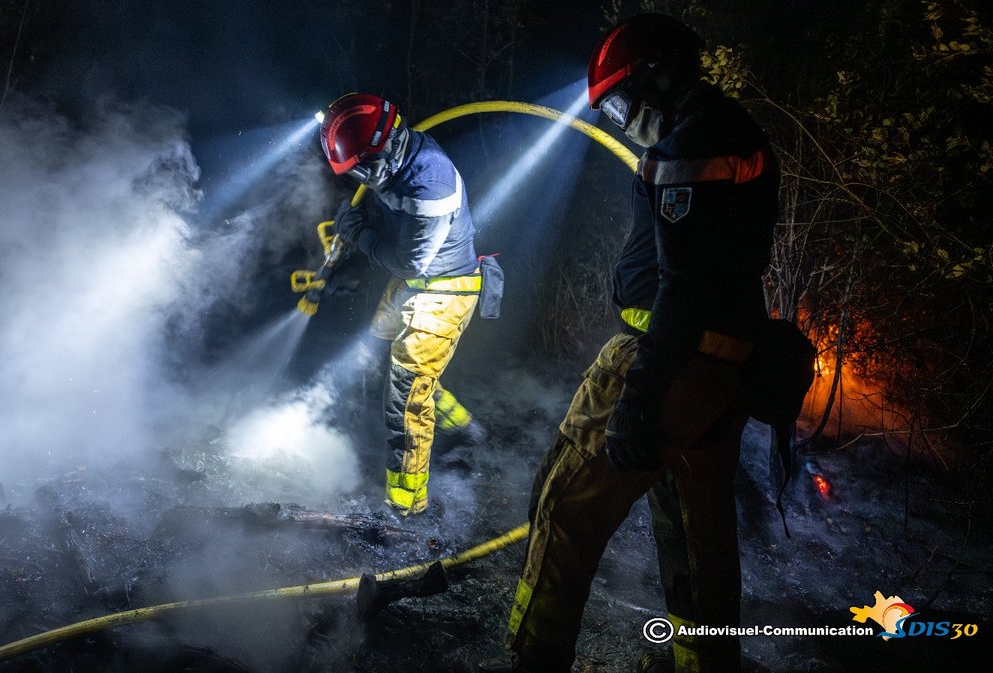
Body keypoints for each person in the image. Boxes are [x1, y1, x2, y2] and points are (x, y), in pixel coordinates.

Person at [485, 14, 780, 673]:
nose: (619, 120)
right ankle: (699, 663)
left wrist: (640, 396)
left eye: (619, 102)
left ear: (656, 79)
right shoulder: (731, 128)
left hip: (667, 364)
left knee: (564, 510)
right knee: (696, 535)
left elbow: (683, 281)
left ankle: (535, 657)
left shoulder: (691, 140)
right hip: (722, 370)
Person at [318, 93, 487, 517]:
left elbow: (407, 260)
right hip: (415, 282)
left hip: (443, 291)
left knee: (405, 399)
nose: (360, 178)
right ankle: (464, 427)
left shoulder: (430, 184)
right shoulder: (391, 158)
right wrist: (355, 223)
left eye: (362, 168)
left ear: (386, 148)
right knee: (385, 363)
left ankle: (406, 509)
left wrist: (357, 234)